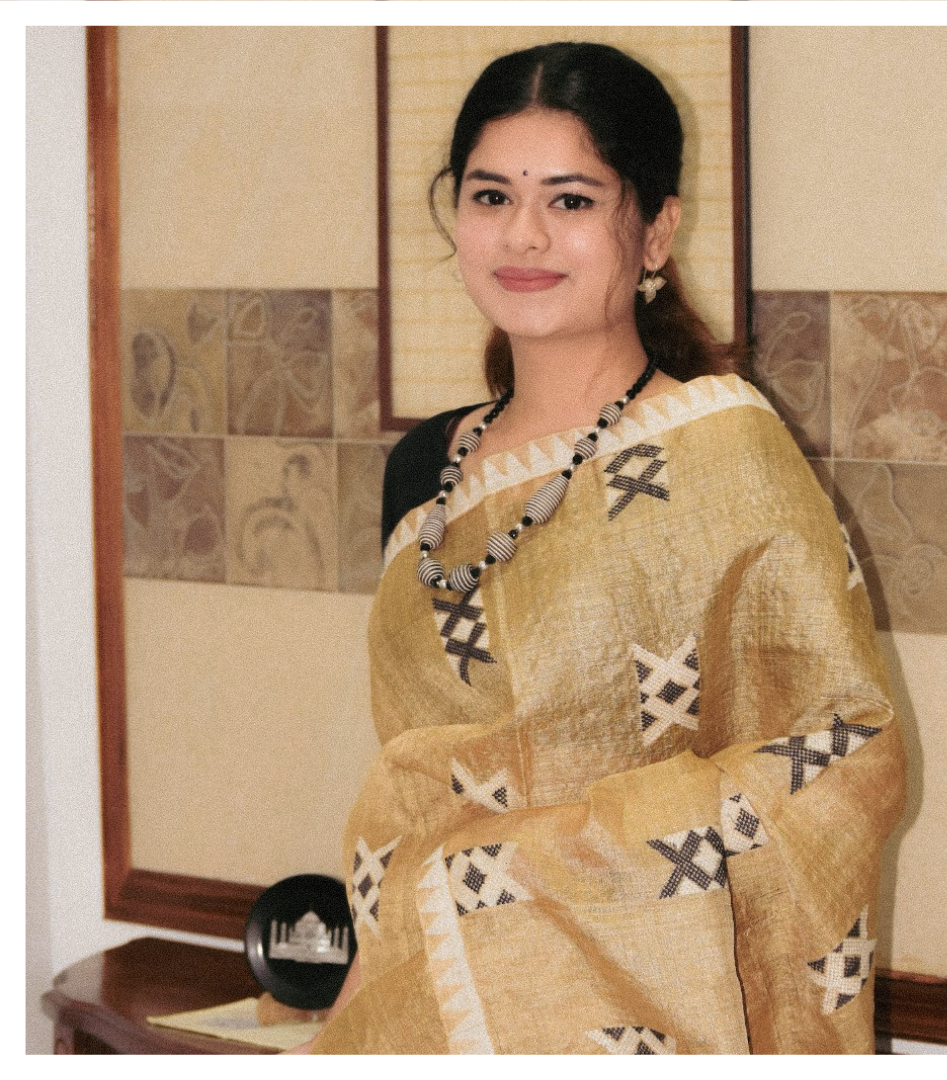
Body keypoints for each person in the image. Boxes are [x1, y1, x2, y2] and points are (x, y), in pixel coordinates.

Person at [301, 41, 905, 1054]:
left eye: (572, 200)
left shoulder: (726, 454)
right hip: (434, 1001)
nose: (524, 233)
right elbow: (415, 790)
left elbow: (844, 751)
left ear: (655, 230)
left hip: (653, 1016)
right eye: (491, 195)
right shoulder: (424, 472)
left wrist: (529, 867)